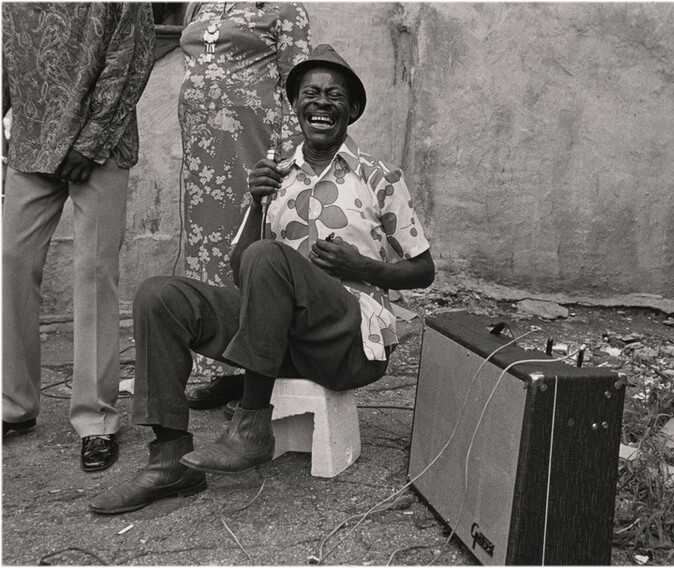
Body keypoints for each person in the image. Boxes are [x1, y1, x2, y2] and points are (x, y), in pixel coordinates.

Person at [90, 44, 435, 514]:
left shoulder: (379, 177)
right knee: (160, 296)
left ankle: (251, 424)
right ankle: (169, 458)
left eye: (335, 95)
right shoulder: (276, 179)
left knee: (270, 257)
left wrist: (363, 268)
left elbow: (424, 269)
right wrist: (256, 206)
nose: (321, 102)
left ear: (352, 110)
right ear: (295, 107)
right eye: (310, 93)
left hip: (350, 341)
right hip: (278, 343)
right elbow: (243, 269)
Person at [2, 3, 156, 472]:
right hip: (31, 139)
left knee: (93, 272)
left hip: (101, 144)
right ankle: (15, 405)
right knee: (10, 259)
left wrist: (90, 143)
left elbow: (129, 65)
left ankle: (96, 420)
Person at [179, 2, 311, 410]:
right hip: (203, 153)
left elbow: (298, 85)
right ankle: (216, 364)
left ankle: (252, 368)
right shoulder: (198, 4)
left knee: (249, 248)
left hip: (253, 149)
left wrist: (286, 158)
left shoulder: (284, 8)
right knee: (206, 251)